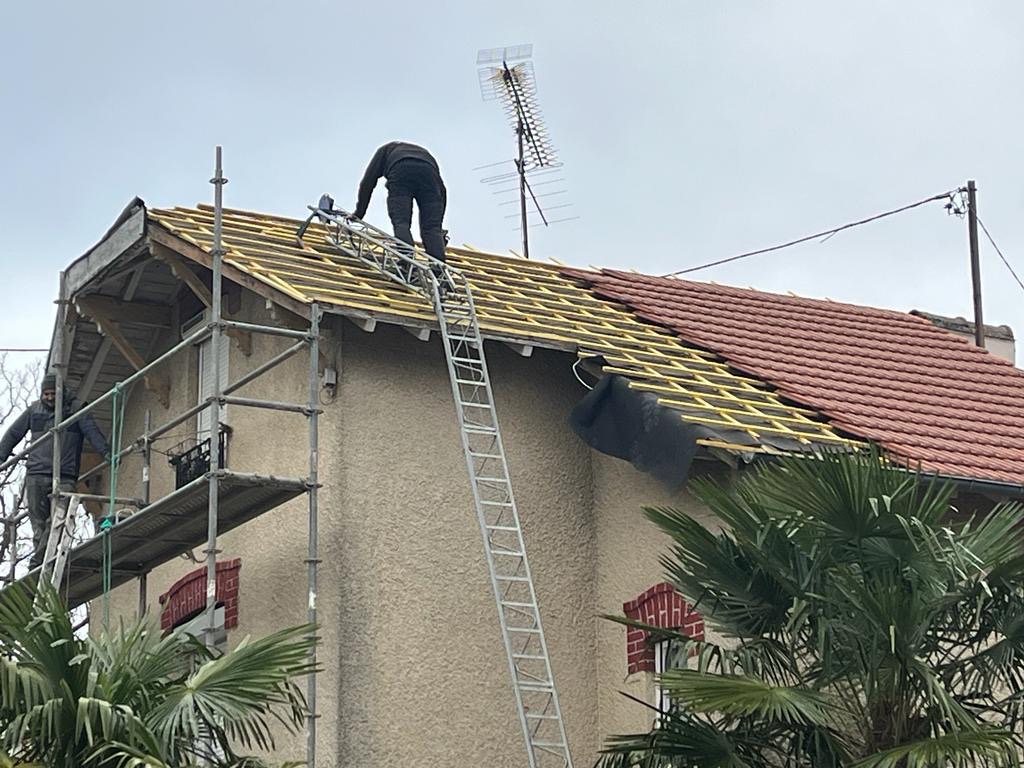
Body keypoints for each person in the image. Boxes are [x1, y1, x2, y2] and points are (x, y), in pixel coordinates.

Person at [0, 374, 110, 568]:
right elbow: (14, 433)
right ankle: (42, 564)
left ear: (61, 393)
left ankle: (38, 563)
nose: (49, 398)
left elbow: (91, 431)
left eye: (53, 394)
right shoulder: (34, 410)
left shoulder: (76, 410)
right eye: (46, 394)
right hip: (36, 474)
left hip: (64, 475)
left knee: (57, 522)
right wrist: (1, 455)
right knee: (38, 526)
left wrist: (106, 451)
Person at [352, 141, 449, 263]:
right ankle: (438, 267)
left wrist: (359, 213)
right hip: (429, 173)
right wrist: (438, 226)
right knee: (431, 229)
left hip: (401, 169)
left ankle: (407, 261)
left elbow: (368, 181)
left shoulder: (384, 151)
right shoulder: (423, 154)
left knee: (401, 222)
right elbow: (441, 191)